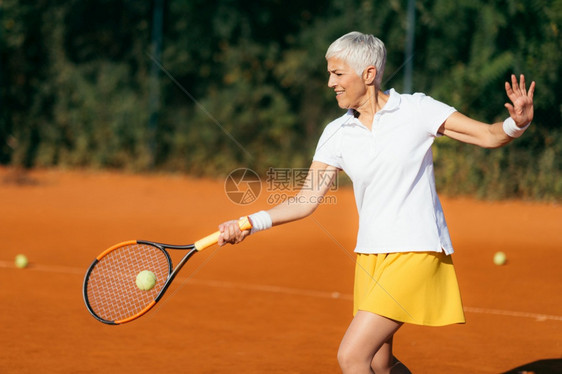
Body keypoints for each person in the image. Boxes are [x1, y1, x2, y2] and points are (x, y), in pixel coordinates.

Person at [217, 31, 535, 374]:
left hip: (416, 249)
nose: (330, 83)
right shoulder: (336, 132)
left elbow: (488, 135)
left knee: (352, 357)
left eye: (338, 74)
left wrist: (515, 124)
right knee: (382, 365)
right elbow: (304, 200)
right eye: (329, 73)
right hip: (370, 256)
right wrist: (249, 222)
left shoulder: (416, 109)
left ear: (369, 74)